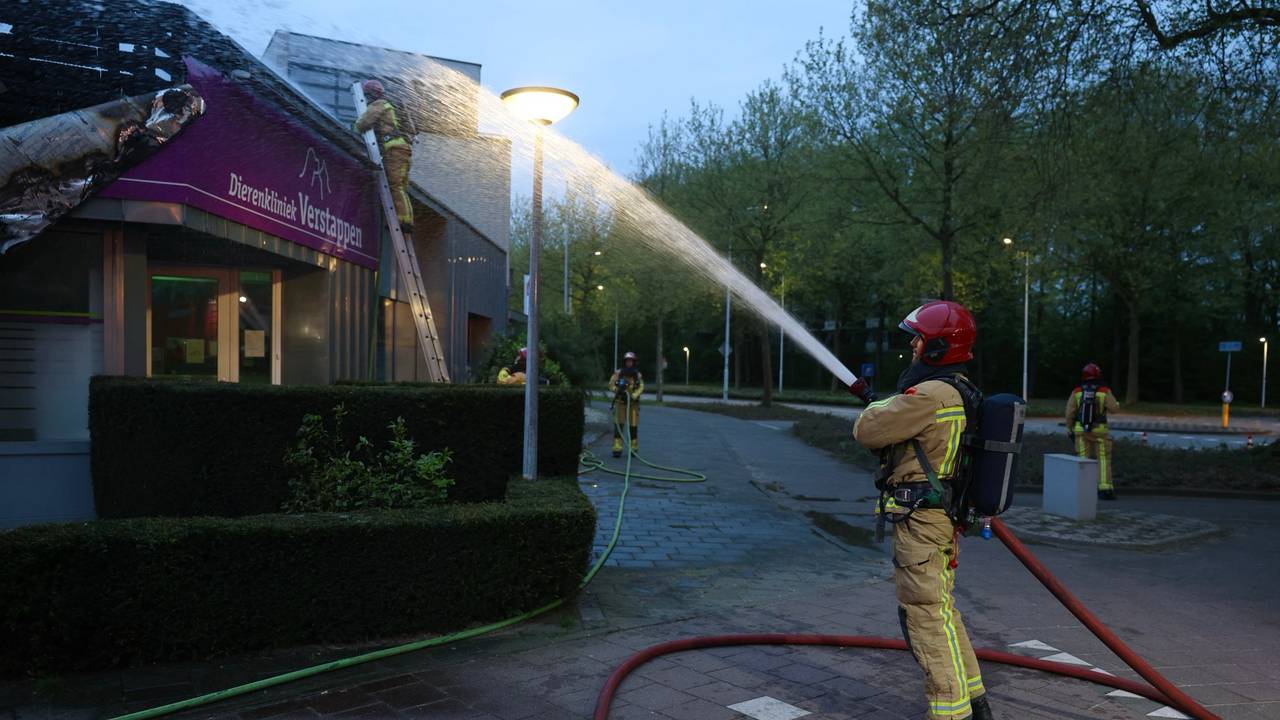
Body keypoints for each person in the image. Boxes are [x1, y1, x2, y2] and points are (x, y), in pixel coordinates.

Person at [850, 301, 994, 720]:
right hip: (941, 519)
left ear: (937, 349)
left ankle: (951, 713)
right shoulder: (961, 391)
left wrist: (875, 407)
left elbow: (867, 430)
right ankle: (975, 700)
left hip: (921, 521)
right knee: (943, 611)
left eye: (919, 339)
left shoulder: (931, 394)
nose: (912, 345)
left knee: (924, 617)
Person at [354, 79, 414, 234]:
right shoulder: (392, 105)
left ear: (371, 94)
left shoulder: (379, 104)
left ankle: (403, 221)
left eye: (367, 96)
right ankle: (406, 218)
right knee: (401, 186)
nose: (366, 99)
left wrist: (354, 128)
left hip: (394, 149)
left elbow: (364, 123)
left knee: (395, 185)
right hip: (404, 149)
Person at [1066, 362, 1120, 500]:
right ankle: (1105, 489)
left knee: (1082, 459)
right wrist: (1116, 403)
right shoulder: (1104, 390)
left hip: (1080, 431)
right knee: (1103, 459)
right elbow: (1114, 409)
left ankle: (1082, 489)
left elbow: (1070, 412)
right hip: (1100, 431)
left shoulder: (1077, 391)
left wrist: (1069, 428)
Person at [608, 351, 644, 458]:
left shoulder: (637, 375)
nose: (629, 363)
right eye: (627, 361)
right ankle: (617, 447)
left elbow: (641, 386)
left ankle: (633, 447)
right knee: (619, 425)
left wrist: (635, 394)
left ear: (634, 362)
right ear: (624, 362)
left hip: (633, 405)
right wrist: (617, 390)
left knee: (633, 426)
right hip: (621, 403)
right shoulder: (618, 373)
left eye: (631, 361)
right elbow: (610, 385)